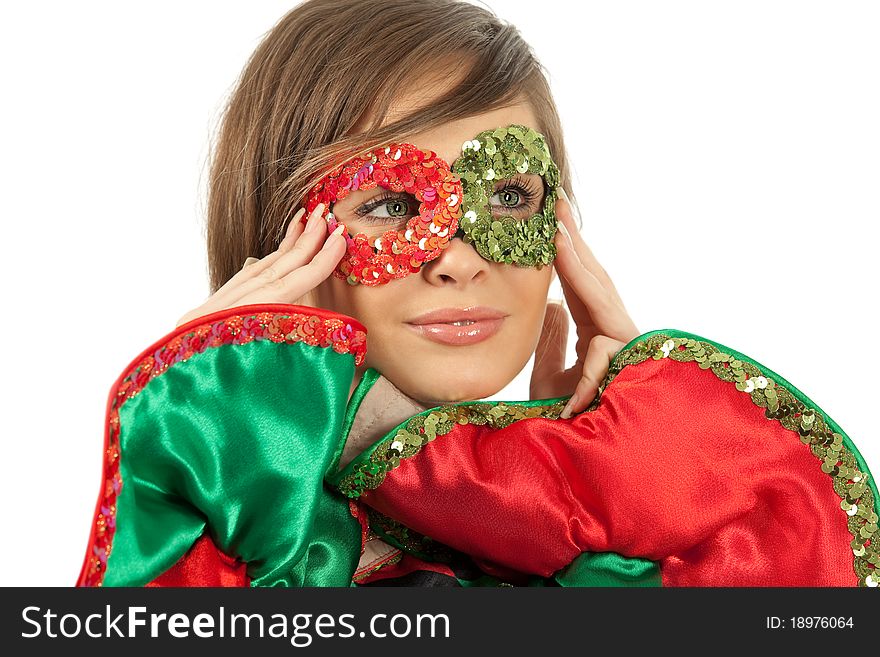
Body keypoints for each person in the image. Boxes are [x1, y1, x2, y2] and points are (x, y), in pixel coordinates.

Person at [77, 0, 878, 588]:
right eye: (393, 205)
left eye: (508, 198)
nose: (460, 262)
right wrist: (202, 425)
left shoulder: (586, 544)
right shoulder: (230, 540)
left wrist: (641, 471)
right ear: (280, 235)